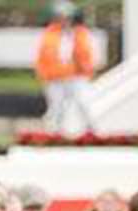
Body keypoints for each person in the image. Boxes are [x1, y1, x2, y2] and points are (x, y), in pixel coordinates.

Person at [36, 2, 96, 133]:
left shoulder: (81, 33)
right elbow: (42, 57)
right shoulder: (50, 34)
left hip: (77, 75)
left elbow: (86, 55)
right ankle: (54, 134)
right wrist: (44, 75)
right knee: (56, 107)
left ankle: (91, 132)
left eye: (67, 17)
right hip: (55, 77)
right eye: (61, 17)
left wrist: (85, 70)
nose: (65, 21)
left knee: (84, 103)